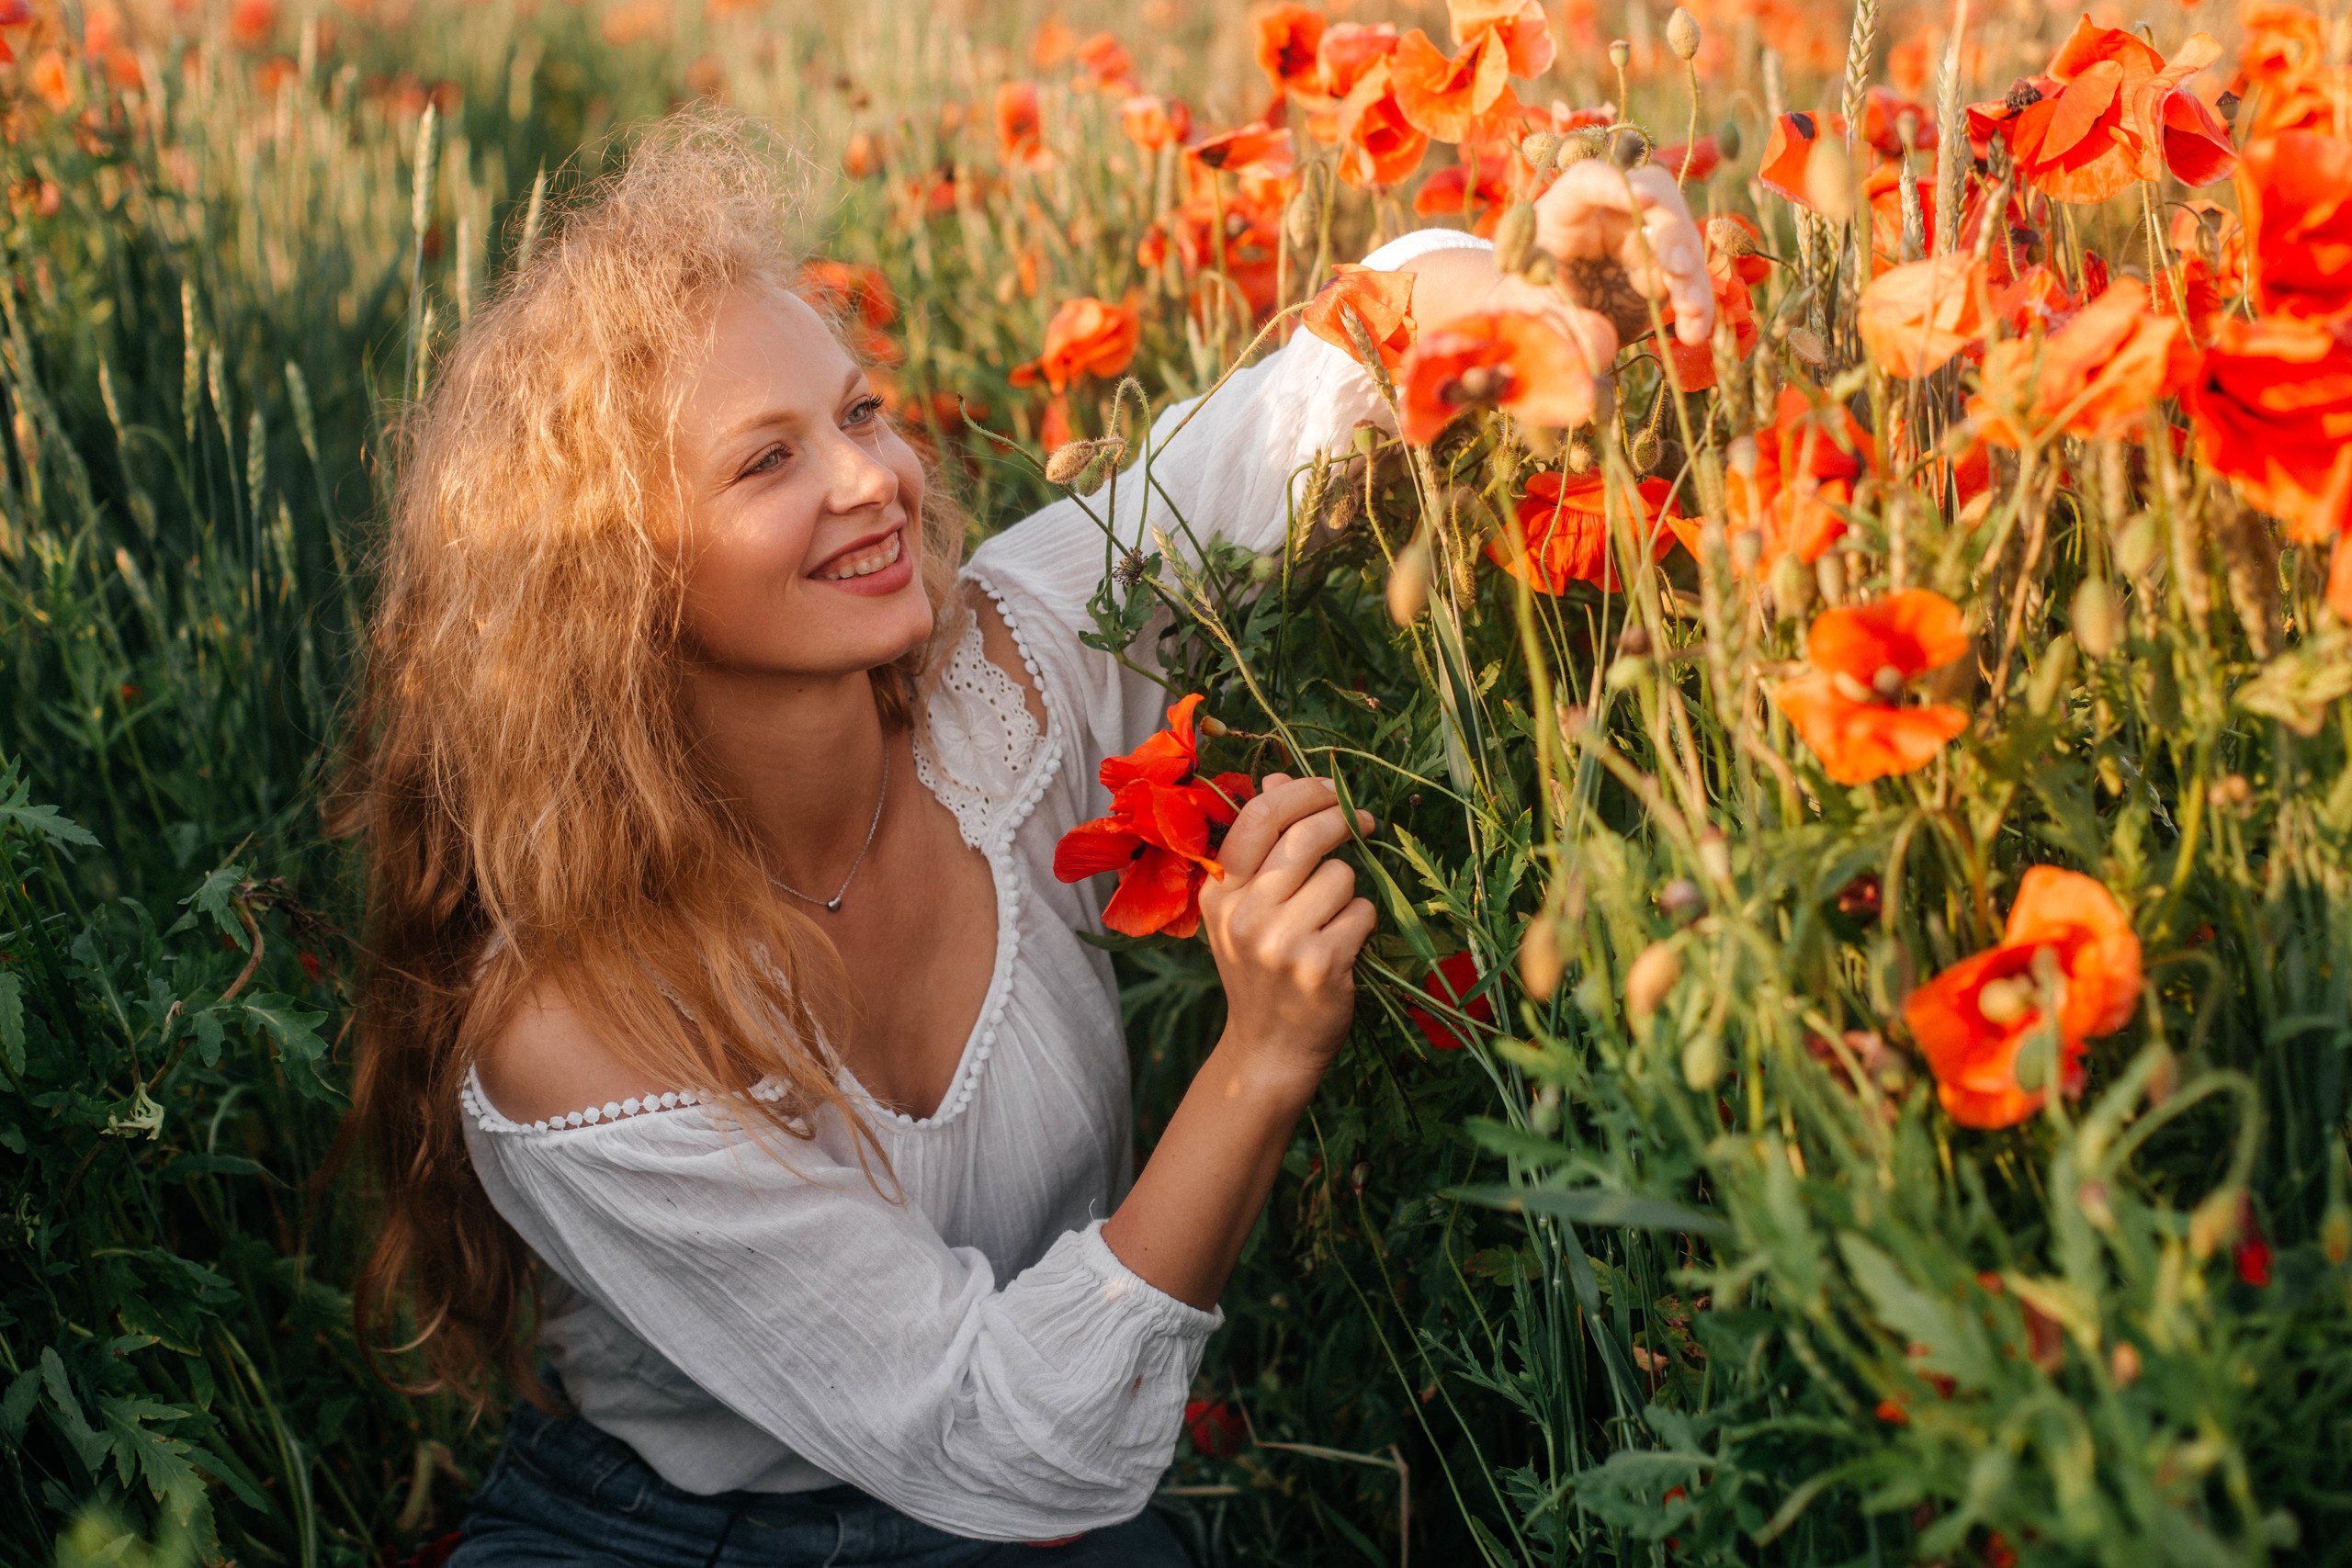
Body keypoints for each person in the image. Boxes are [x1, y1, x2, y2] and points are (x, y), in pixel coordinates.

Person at [340, 113, 1711, 1567]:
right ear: (613, 581)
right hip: (662, 1536)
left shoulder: (1011, 667)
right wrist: (1259, 1057)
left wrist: (1526, 265)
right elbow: (1005, 1435)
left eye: (860, 414)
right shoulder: (568, 1025)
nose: (871, 482)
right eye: (768, 463)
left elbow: (1296, 405)